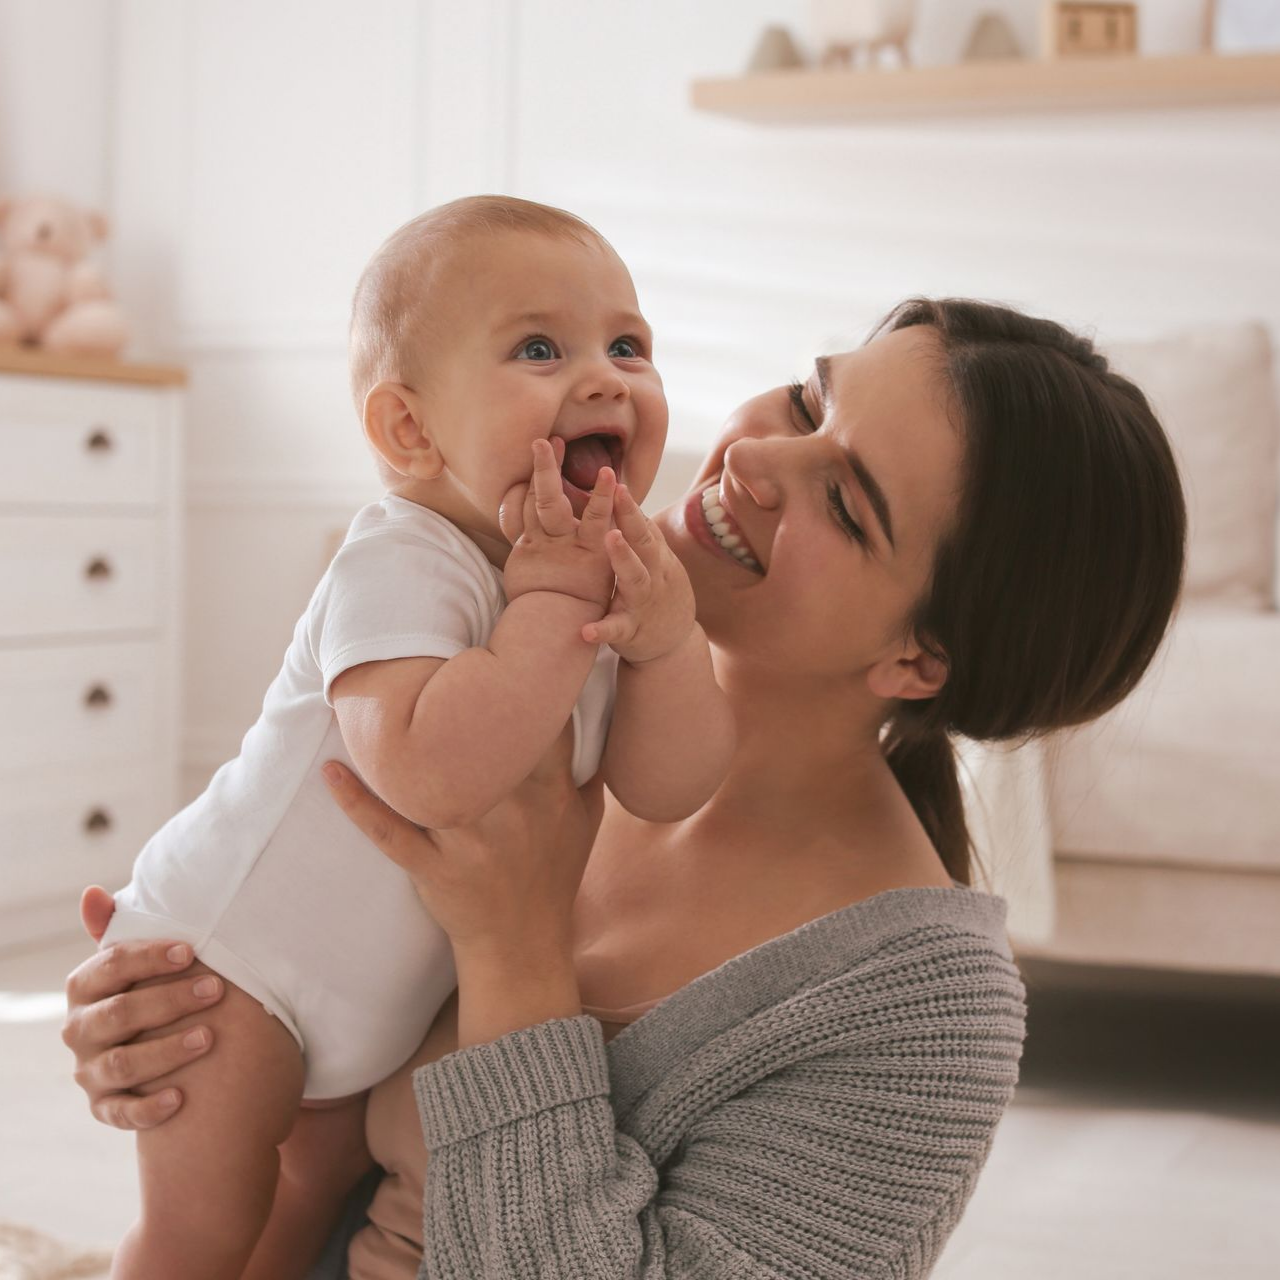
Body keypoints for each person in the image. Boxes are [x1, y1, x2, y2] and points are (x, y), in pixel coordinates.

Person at [64, 296, 1187, 1280]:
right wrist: (183, 1023)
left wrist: (514, 954)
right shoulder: (523, 684)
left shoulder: (921, 1015)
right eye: (807, 400)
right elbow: (307, 1065)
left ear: (918, 659)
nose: (757, 459)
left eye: (846, 503)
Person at [88, 195, 735, 1279]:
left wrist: (667, 643)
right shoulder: (402, 557)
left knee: (299, 1211)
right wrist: (548, 607)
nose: (606, 378)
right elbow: (427, 773)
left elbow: (669, 785)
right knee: (205, 1230)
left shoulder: (596, 572)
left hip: (362, 1009)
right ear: (409, 431)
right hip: (229, 965)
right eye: (540, 349)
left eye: (628, 345)